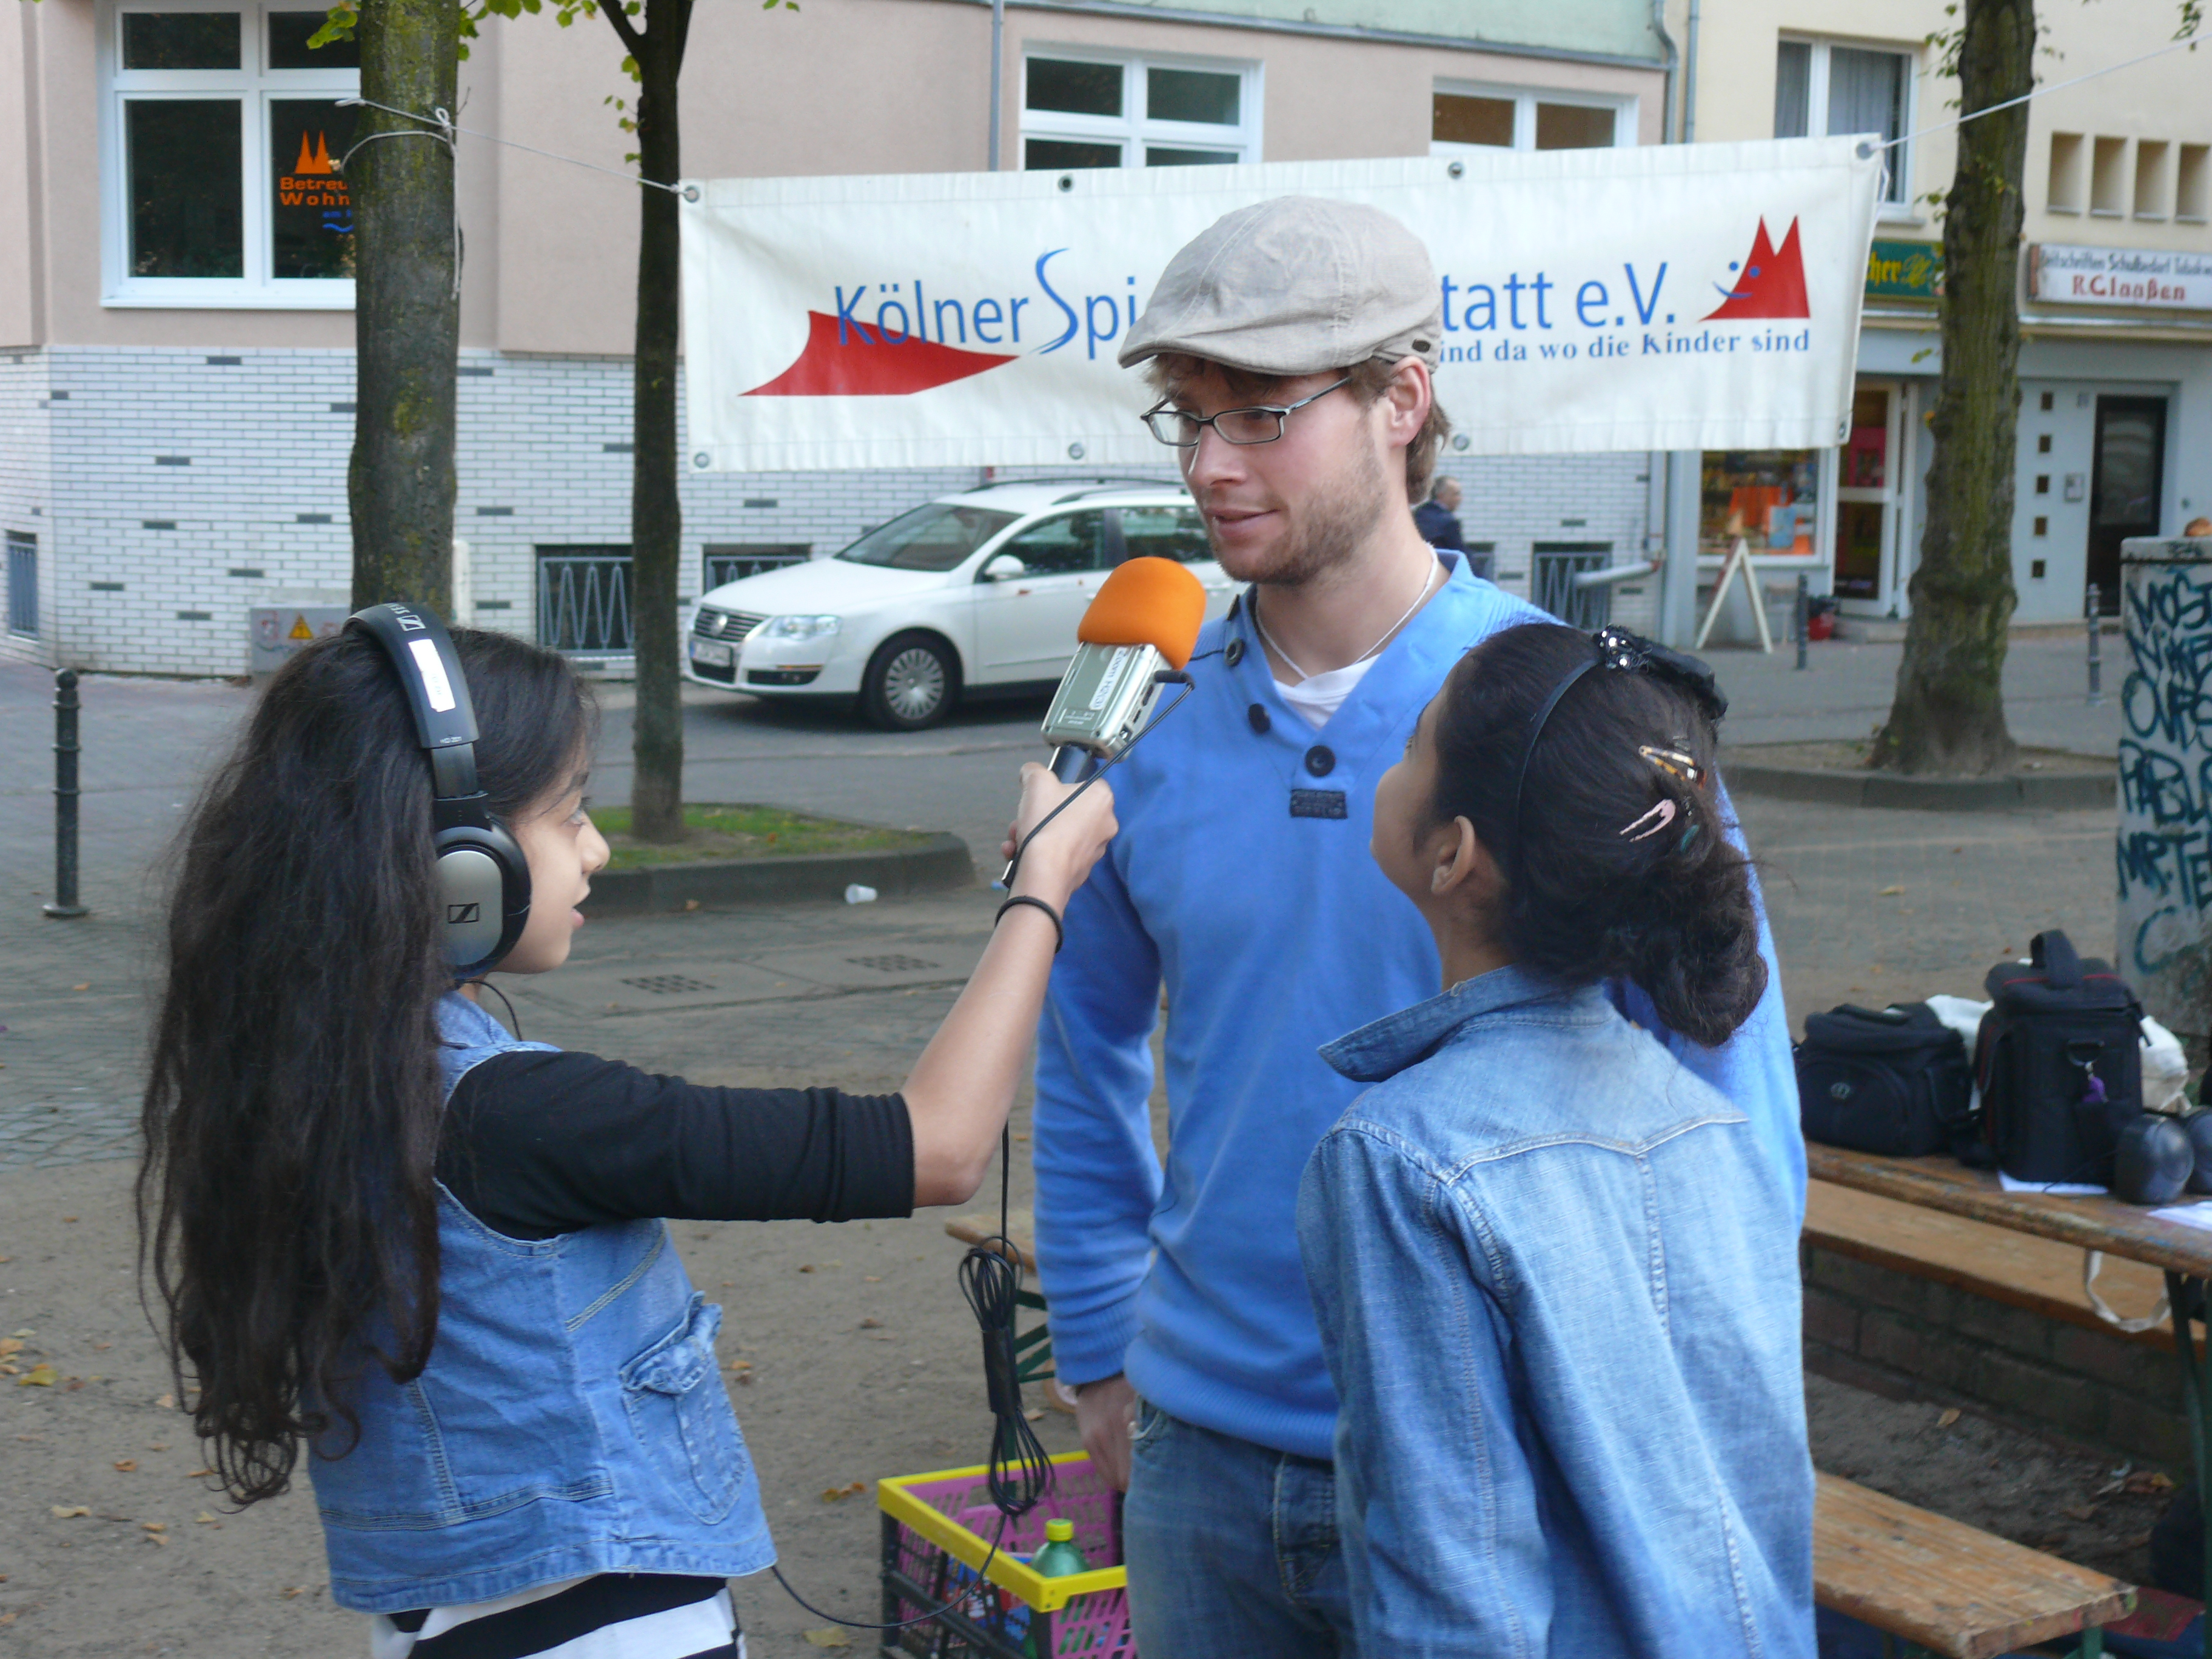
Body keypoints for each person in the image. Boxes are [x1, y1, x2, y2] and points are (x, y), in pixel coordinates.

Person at [1030, 194, 1802, 1658]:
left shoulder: (1567, 710)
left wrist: (1685, 1413)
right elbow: (1083, 1054)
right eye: (1185, 420)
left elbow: (1730, 1089)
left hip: (1509, 1446)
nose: (1209, 465)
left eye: (1260, 415)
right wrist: (1096, 1347)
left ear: (1403, 396)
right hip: (1201, 1451)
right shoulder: (1144, 706)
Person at [138, 611, 1116, 1659]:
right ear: (454, 864)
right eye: (569, 816)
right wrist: (1041, 888)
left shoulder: (323, 1071)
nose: (597, 849)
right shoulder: (513, 1114)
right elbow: (939, 1147)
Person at [1297, 621, 1814, 1658]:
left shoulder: (1400, 1159)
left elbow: (1456, 1597)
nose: (1391, 762)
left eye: (1413, 746)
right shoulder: (1710, 1121)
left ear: (1454, 854)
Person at [1412, 475, 1464, 550]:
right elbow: (1461, 552)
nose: (1460, 499)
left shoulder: (1417, 514)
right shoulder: (1449, 522)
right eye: (1456, 494)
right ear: (1441, 495)